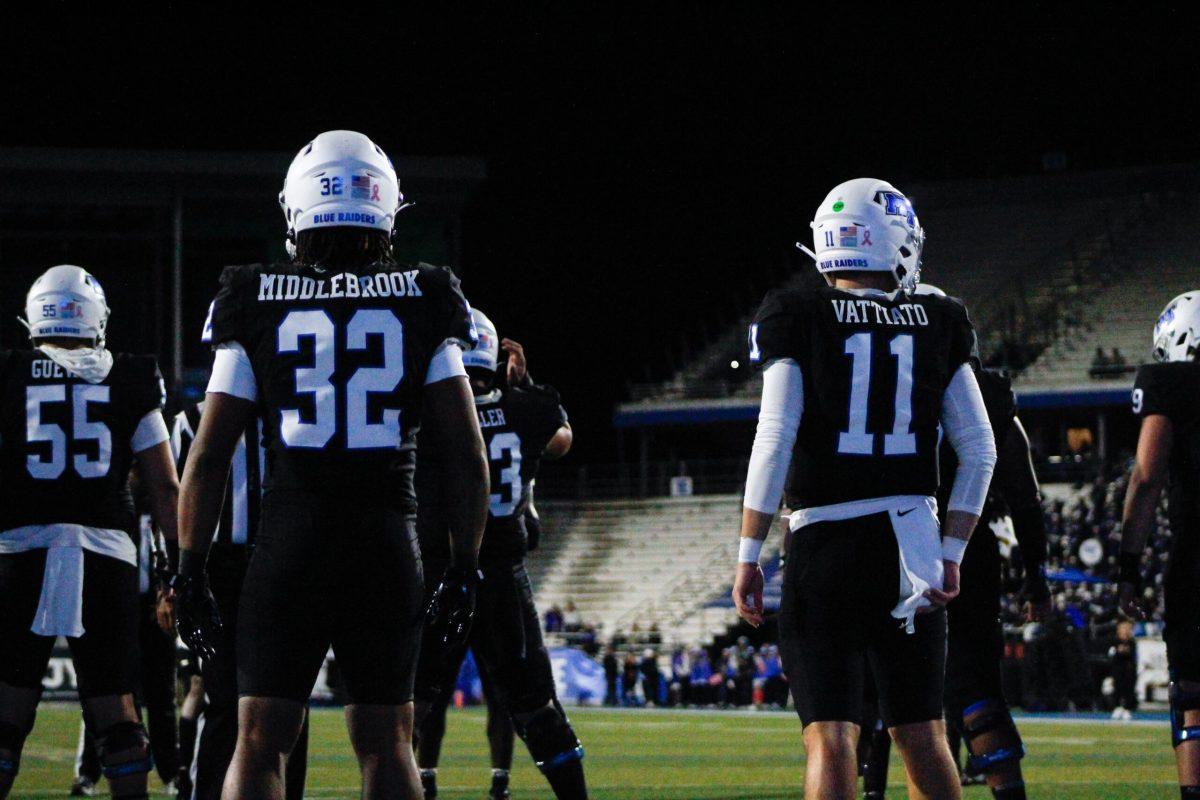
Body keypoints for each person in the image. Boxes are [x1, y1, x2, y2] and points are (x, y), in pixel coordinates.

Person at [173, 130, 489, 800]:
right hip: (385, 544)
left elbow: (207, 455)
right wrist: (464, 566)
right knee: (388, 746)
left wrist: (189, 567)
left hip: (292, 541)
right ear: (385, 208)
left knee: (259, 744)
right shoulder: (424, 295)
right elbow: (465, 452)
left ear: (296, 209)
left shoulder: (254, 293)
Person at [731, 178, 997, 800]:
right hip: (911, 547)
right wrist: (951, 553)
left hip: (825, 546)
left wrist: (747, 555)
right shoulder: (940, 316)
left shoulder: (796, 311)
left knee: (830, 737)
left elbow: (775, 435)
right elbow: (979, 450)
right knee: (924, 734)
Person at [861, 284, 1051, 800]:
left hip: (892, 541)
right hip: (967, 546)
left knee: (885, 689)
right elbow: (1025, 497)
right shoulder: (987, 396)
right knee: (975, 686)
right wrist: (1036, 576)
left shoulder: (873, 384)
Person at [0, 265, 178, 800]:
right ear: (95, 317)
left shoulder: (10, 372)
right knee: (117, 710)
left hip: (19, 551)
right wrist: (183, 567)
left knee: (7, 713)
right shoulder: (129, 376)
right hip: (106, 554)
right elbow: (165, 485)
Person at [414, 309, 586, 800]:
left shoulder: (427, 412)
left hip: (440, 573)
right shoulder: (526, 409)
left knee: (410, 705)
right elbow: (561, 441)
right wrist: (525, 387)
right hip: (502, 579)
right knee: (535, 706)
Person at [171, 400, 309, 800]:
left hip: (280, 558)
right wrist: (177, 576)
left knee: (287, 701)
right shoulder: (191, 421)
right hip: (219, 565)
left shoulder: (291, 411)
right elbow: (177, 500)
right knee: (224, 700)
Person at [1117, 290, 1200, 799]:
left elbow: (1147, 477)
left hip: (1197, 559)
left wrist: (1129, 564)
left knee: (1192, 694)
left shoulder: (1171, 381)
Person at [72, 490, 180, 796]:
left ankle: (171, 772)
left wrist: (167, 592)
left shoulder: (157, 513)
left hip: (151, 612)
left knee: (161, 699)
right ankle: (87, 773)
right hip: (117, 610)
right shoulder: (116, 511)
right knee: (108, 694)